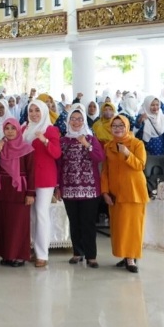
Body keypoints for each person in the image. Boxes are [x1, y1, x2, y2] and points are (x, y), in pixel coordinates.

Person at [57, 105, 106, 268]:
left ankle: (91, 255)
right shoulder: (63, 141)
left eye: (79, 119)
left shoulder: (91, 139)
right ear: (68, 120)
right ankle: (77, 252)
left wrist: (86, 144)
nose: (76, 122)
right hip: (69, 188)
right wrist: (58, 186)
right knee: (74, 222)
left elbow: (100, 157)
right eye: (73, 118)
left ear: (84, 120)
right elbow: (59, 163)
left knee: (88, 222)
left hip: (90, 189)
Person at [101, 116, 148, 273]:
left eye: (121, 125)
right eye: (114, 125)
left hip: (134, 191)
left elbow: (141, 165)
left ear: (127, 126)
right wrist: (105, 191)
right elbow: (105, 171)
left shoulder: (137, 144)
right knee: (120, 227)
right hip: (116, 193)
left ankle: (131, 258)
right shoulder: (109, 146)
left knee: (133, 227)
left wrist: (127, 153)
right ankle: (124, 254)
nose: (118, 128)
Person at [23, 100, 61, 268]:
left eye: (37, 110)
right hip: (28, 177)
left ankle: (42, 254)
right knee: (30, 215)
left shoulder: (50, 129)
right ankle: (32, 248)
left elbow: (57, 153)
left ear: (44, 111)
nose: (34, 114)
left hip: (45, 177)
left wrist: (45, 140)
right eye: (31, 110)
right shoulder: (25, 129)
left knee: (41, 213)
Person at [0, 118, 34, 267]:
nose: (10, 131)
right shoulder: (0, 146)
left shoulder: (26, 148)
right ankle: (7, 255)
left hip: (20, 191)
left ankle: (19, 255)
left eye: (13, 128)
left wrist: (30, 193)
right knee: (4, 223)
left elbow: (31, 172)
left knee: (18, 225)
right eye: (7, 128)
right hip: (3, 190)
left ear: (18, 130)